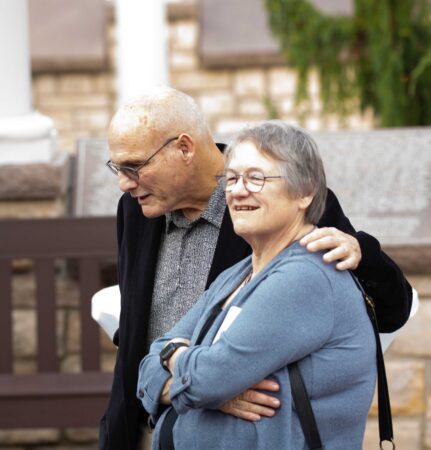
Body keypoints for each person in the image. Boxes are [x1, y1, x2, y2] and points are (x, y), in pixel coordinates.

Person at [100, 87, 412, 450]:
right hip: (149, 419)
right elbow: (139, 336)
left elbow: (389, 311)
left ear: (184, 148)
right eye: (118, 168)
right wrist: (178, 387)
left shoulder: (284, 216)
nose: (124, 182)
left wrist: (363, 252)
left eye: (134, 167)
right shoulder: (136, 209)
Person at [137, 121, 377, 449]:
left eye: (256, 177)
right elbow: (148, 369)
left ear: (305, 191)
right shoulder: (236, 275)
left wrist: (174, 360)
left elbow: (209, 379)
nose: (236, 190)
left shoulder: (305, 278)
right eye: (232, 178)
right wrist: (187, 377)